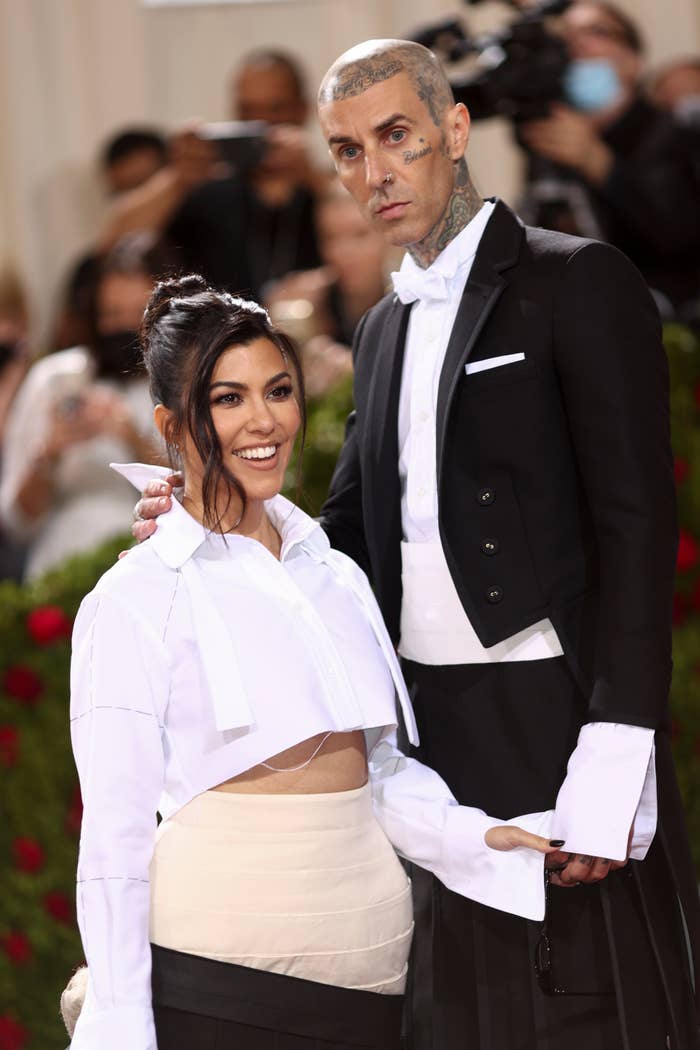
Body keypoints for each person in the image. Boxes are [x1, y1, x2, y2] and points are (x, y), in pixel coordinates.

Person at [133, 38, 699, 1050]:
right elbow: (348, 532)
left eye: (394, 135)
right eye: (345, 151)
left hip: (561, 721)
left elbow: (634, 528)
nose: (373, 171)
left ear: (451, 129)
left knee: (597, 1018)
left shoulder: (577, 281)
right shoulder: (383, 331)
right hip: (431, 742)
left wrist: (615, 756)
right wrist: (208, 520)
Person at [68, 275, 559, 1050]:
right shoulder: (135, 597)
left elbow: (379, 769)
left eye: (279, 390)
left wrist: (473, 838)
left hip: (375, 979)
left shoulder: (334, 575)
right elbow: (116, 837)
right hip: (218, 975)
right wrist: (124, 1024)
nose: (263, 421)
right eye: (226, 399)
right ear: (169, 423)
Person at [96, 50, 330, 302]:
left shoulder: (322, 187)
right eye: (248, 111)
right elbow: (112, 250)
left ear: (302, 110)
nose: (261, 124)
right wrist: (177, 179)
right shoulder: (206, 191)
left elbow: (369, 232)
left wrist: (309, 175)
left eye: (275, 109)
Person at [518, 1, 700, 316]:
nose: (577, 46)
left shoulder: (669, 130)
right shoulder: (553, 145)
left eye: (596, 32)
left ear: (633, 61)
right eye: (566, 37)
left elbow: (680, 237)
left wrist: (599, 163)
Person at [0, 234, 166, 579]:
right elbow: (16, 521)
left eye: (140, 314)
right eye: (111, 314)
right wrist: (50, 453)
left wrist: (133, 439)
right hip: (62, 568)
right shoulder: (56, 378)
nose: (125, 328)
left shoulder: (180, 382)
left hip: (154, 562)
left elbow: (201, 494)